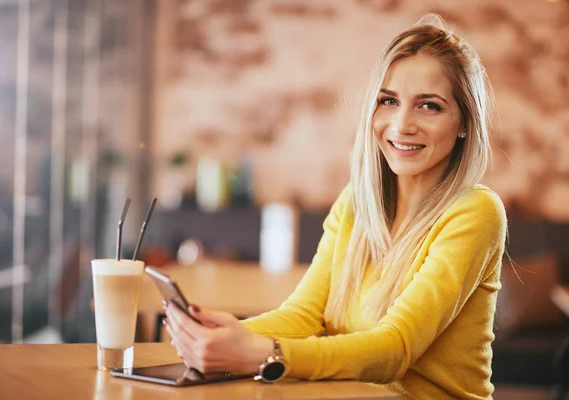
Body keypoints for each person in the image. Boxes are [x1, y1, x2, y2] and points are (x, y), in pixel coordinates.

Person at [163, 14, 506, 400]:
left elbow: (395, 349)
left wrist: (261, 353)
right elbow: (304, 316)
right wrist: (227, 336)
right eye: (388, 101)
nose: (401, 124)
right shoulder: (356, 204)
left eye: (429, 106)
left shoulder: (476, 212)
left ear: (464, 123)